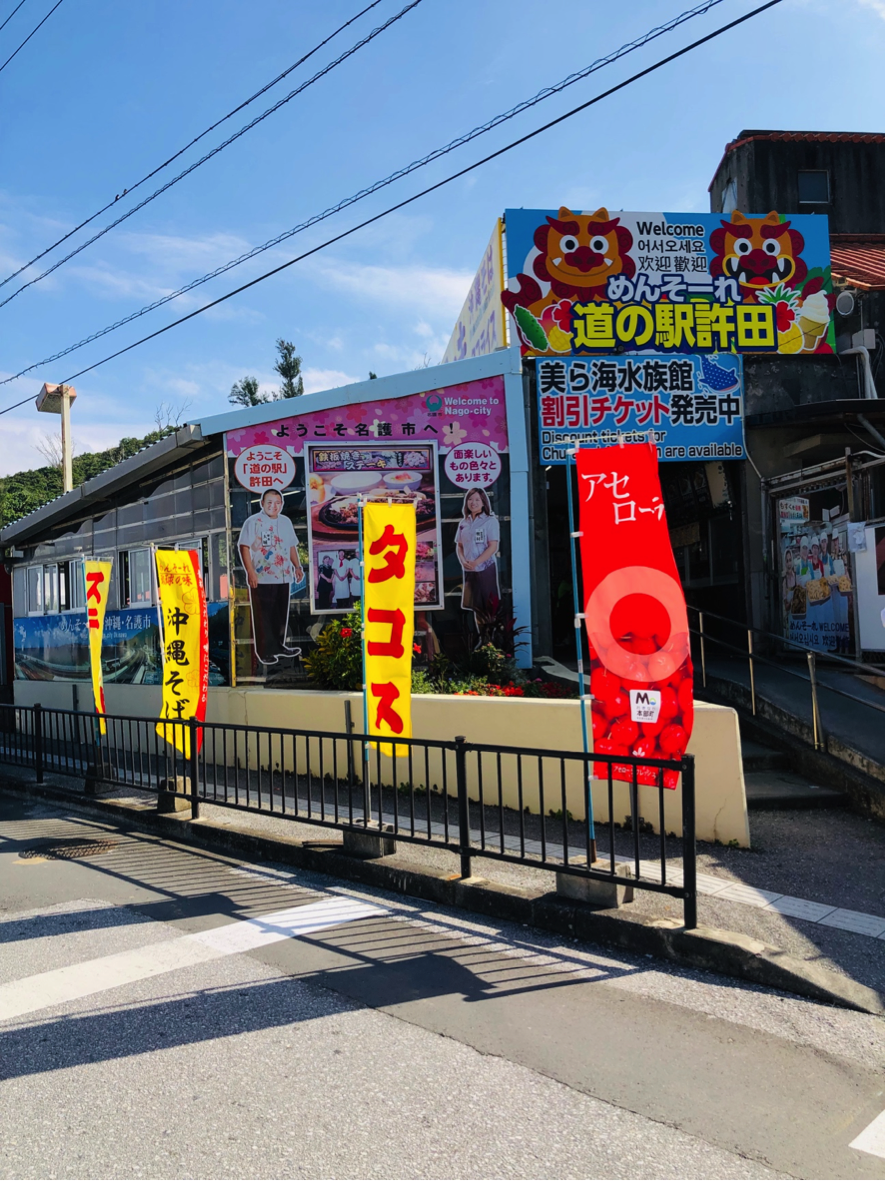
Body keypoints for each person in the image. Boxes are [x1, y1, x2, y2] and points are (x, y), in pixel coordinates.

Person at [237, 489, 303, 665]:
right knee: (263, 616)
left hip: (283, 576)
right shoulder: (253, 522)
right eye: (270, 502)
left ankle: (279, 646)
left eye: (277, 503)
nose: (274, 506)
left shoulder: (286, 522)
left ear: (281, 504)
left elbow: (291, 547)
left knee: (281, 614)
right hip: (262, 577)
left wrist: (297, 566)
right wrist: (250, 572)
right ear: (262, 503)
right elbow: (244, 547)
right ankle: (264, 651)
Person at [456, 487, 500, 630]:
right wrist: (463, 561)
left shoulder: (490, 521)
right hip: (469, 570)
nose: (473, 503)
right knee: (475, 606)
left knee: (488, 607)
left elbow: (493, 546)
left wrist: (476, 562)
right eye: (470, 499)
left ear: (483, 502)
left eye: (476, 500)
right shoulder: (463, 523)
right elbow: (460, 546)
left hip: (485, 569)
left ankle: (492, 640)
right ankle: (483, 639)